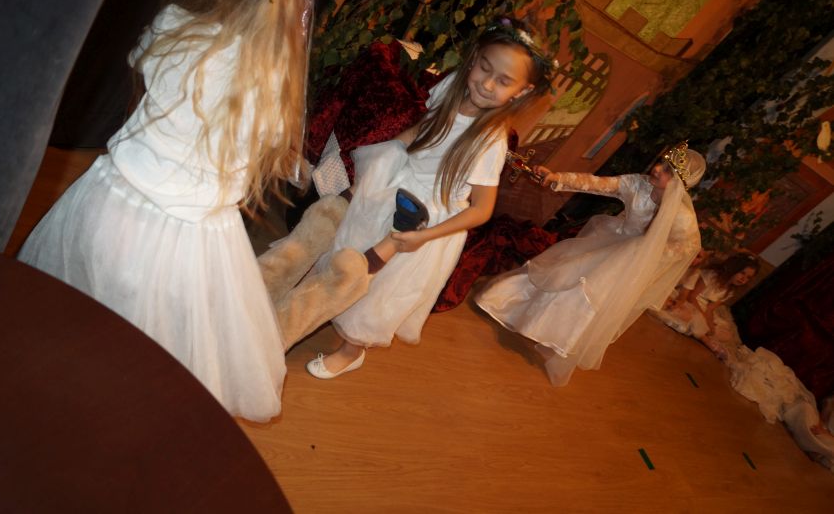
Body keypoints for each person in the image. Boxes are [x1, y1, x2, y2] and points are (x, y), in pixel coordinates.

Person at [18, 0, 319, 421]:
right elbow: (266, 153)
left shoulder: (175, 22)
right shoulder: (274, 72)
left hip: (111, 203)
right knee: (156, 345)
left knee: (80, 306)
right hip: (193, 240)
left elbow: (143, 82)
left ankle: (62, 394)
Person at [303, 19, 555, 378]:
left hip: (428, 221)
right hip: (399, 185)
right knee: (349, 249)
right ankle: (315, 302)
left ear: (521, 91)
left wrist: (424, 236)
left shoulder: (490, 141)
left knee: (380, 289)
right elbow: (421, 130)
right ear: (474, 59)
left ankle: (351, 350)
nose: (486, 83)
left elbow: (481, 210)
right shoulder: (451, 87)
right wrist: (381, 162)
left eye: (503, 81)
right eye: (484, 68)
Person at [475, 142, 706, 386]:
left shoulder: (683, 217)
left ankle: (555, 337)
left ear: (679, 183)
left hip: (629, 263)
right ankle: (511, 307)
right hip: (611, 242)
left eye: (668, 170)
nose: (657, 169)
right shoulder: (638, 184)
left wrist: (648, 254)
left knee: (590, 296)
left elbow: (688, 246)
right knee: (564, 272)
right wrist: (557, 178)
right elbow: (599, 184)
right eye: (661, 163)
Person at [657, 252, 760, 341]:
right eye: (742, 273)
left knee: (726, 334)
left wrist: (710, 323)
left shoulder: (730, 291)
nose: (743, 279)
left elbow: (710, 309)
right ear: (734, 268)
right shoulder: (712, 275)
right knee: (689, 317)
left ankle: (699, 330)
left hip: (703, 308)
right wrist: (703, 318)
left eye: (748, 277)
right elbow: (691, 297)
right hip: (691, 301)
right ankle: (703, 337)